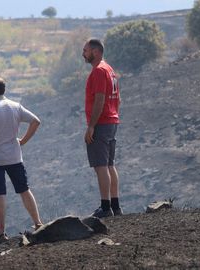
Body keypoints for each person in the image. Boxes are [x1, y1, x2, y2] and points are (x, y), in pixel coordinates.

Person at [0, 77, 43, 241]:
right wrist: (23, 141)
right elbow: (35, 121)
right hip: (14, 156)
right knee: (24, 190)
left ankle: (1, 232)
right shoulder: (14, 106)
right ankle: (38, 223)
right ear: (4, 90)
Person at [82, 39, 123, 218]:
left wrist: (92, 126)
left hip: (102, 123)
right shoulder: (110, 69)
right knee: (110, 165)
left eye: (86, 50)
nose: (83, 53)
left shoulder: (99, 71)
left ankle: (105, 208)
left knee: (101, 166)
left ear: (96, 52)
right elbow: (118, 99)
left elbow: (100, 99)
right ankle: (115, 206)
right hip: (112, 121)